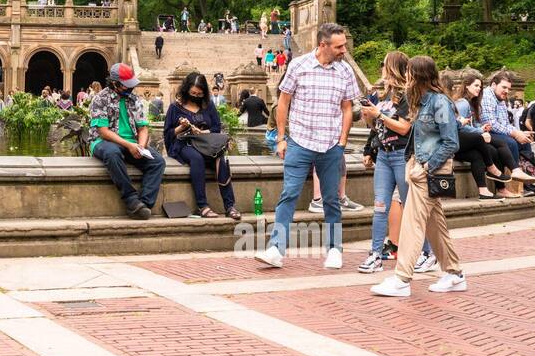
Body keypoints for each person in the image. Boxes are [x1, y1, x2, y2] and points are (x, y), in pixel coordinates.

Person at [255, 22, 358, 271]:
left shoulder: (345, 71)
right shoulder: (298, 65)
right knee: (289, 194)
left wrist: (342, 141)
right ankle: (276, 249)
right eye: (339, 46)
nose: (344, 50)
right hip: (300, 142)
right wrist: (281, 138)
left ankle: (334, 249)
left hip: (331, 144)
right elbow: (283, 102)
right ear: (323, 45)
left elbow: (347, 108)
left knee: (332, 199)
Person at [370, 56, 468, 297]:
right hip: (419, 168)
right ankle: (454, 274)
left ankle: (402, 279)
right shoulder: (422, 102)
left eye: (410, 74)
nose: (407, 78)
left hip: (428, 170)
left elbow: (451, 142)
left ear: (419, 76)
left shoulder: (439, 102)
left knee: (412, 224)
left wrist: (426, 167)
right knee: (435, 226)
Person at [355, 51, 422, 272]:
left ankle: (427, 253)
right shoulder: (381, 94)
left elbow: (404, 127)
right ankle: (375, 255)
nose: (380, 67)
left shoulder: (405, 95)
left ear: (392, 67)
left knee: (412, 208)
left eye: (383, 64)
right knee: (380, 206)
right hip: (383, 155)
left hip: (401, 155)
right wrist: (369, 120)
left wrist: (379, 115)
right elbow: (378, 128)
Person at [88, 63, 164, 219]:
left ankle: (143, 204)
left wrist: (141, 146)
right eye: (126, 85)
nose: (130, 89)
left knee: (158, 162)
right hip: (103, 141)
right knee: (113, 153)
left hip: (131, 142)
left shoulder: (135, 99)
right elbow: (103, 132)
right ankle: (131, 199)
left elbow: (143, 128)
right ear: (114, 83)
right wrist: (129, 145)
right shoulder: (100, 98)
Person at [164, 72, 240, 220]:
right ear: (186, 90)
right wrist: (181, 127)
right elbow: (168, 134)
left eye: (199, 94)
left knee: (220, 160)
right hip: (183, 143)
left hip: (205, 143)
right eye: (193, 93)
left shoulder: (208, 105)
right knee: (197, 159)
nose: (196, 96)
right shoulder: (175, 107)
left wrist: (202, 132)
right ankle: (202, 205)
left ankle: (229, 206)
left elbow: (216, 128)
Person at [452, 69, 530, 199]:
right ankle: (502, 171)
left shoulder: (474, 103)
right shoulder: (462, 103)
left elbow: (474, 123)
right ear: (466, 86)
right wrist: (480, 131)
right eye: (476, 86)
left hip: (470, 140)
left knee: (483, 154)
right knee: (498, 144)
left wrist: (481, 128)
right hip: (460, 140)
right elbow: (458, 126)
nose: (479, 89)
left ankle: (486, 191)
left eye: (480, 86)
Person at [480, 71, 535, 169]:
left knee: (525, 142)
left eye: (509, 89)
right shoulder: (486, 96)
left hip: (497, 132)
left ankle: (530, 174)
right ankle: (514, 176)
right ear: (493, 85)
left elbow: (506, 123)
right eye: (504, 87)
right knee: (511, 143)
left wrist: (519, 132)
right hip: (485, 132)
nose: (507, 91)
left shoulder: (500, 98)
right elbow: (491, 124)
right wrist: (514, 133)